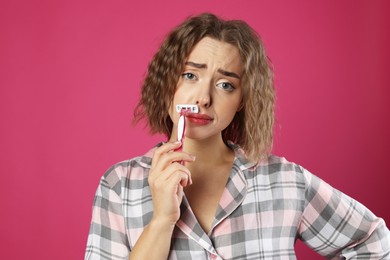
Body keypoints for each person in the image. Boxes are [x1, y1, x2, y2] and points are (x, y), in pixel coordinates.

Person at [85, 13, 390, 259]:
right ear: (167, 83)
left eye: (225, 85)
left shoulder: (286, 182)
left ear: (242, 100)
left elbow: (374, 242)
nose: (203, 98)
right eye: (190, 75)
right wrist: (162, 220)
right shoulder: (119, 186)